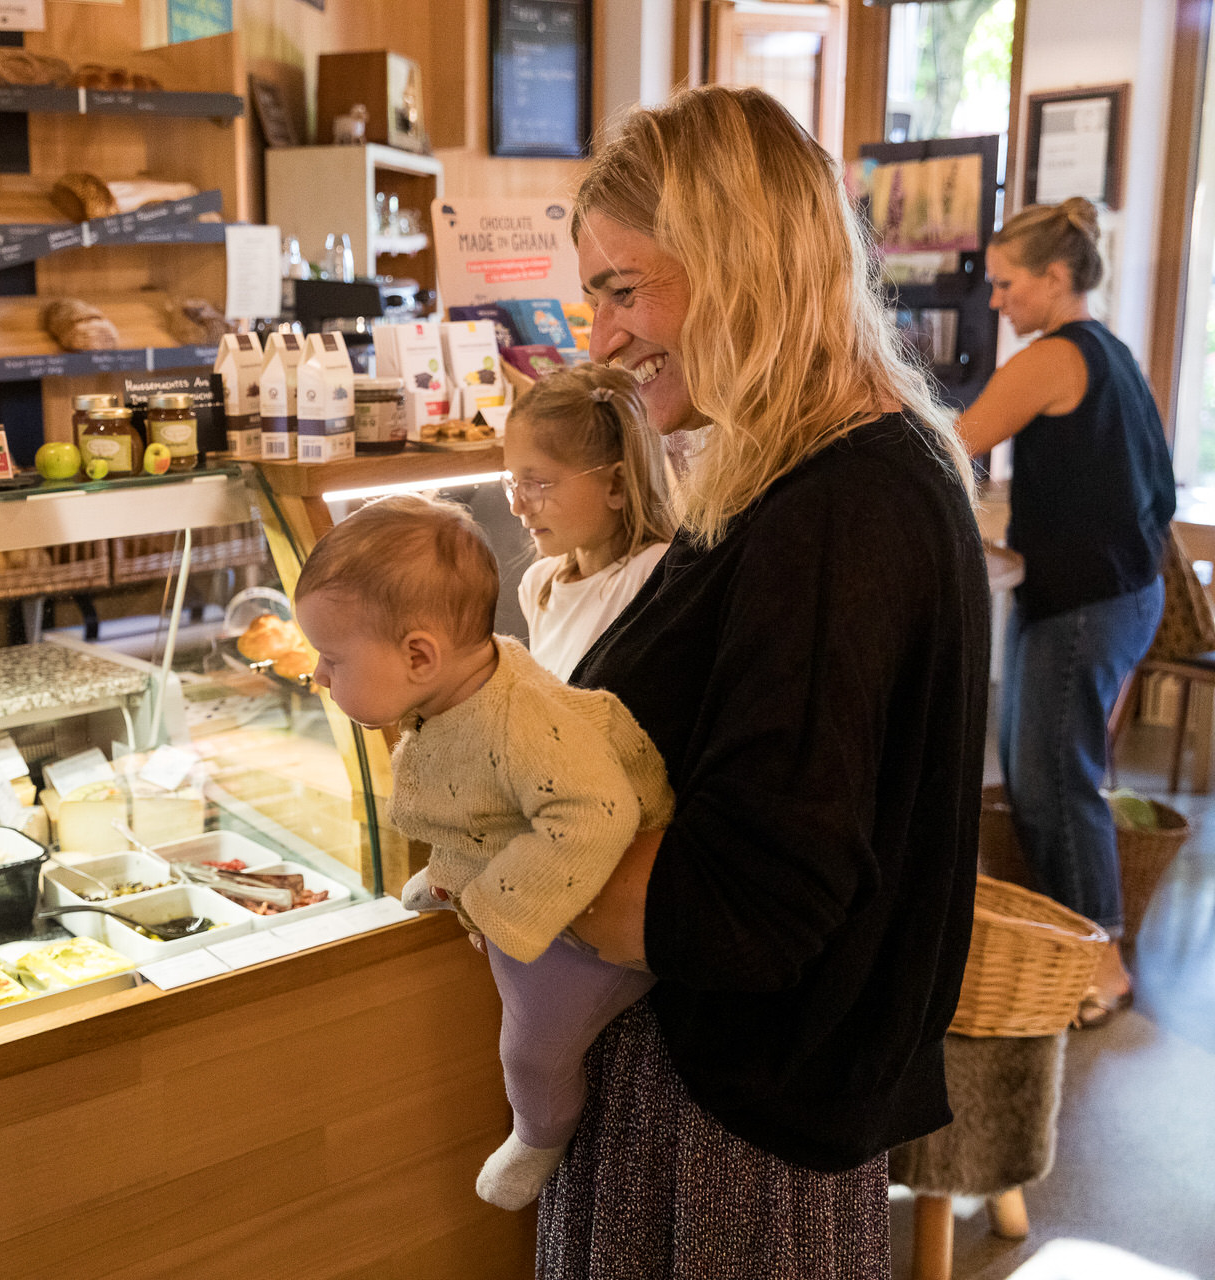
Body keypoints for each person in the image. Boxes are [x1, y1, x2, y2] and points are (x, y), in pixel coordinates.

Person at [543, 86, 989, 1277]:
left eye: (623, 290)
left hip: (726, 1133)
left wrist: (514, 853)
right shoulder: (823, 471)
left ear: (739, 262)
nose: (602, 339)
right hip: (741, 1113)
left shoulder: (838, 512)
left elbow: (745, 911)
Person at [291, 494, 673, 1211]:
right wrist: (457, 871)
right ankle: (452, 881)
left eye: (333, 658)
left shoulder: (517, 721)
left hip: (593, 917)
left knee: (532, 1050)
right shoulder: (459, 691)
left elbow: (596, 815)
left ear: (419, 655)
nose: (318, 674)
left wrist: (497, 908)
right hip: (540, 865)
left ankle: (538, 1134)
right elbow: (481, 810)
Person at [958, 198, 1174, 1027]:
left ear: (1055, 277)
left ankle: (1102, 965)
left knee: (1054, 781)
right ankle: (1071, 943)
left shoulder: (1053, 357)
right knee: (1037, 773)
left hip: (1086, 604)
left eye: (1007, 284)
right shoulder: (1109, 349)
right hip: (1117, 591)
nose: (996, 301)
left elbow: (953, 442)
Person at [505, 364, 674, 681]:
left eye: (537, 484)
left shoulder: (655, 575)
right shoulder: (538, 585)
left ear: (617, 484)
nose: (517, 506)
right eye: (513, 482)